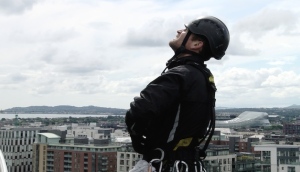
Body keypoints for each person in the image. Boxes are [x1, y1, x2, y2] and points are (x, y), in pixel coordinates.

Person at [126, 16, 230, 172]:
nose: (179, 31)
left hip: (162, 163)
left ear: (196, 44)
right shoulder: (203, 77)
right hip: (188, 164)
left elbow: (139, 110)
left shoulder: (181, 75)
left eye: (186, 30)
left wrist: (138, 139)